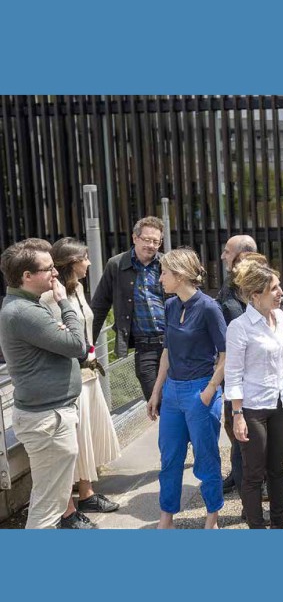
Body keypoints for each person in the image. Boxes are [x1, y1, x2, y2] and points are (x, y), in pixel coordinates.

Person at [0, 239, 86, 528]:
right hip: (47, 421)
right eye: (48, 269)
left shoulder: (27, 305)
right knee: (48, 507)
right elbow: (77, 345)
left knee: (50, 499)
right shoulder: (24, 312)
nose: (55, 274)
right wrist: (64, 303)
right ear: (27, 276)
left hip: (50, 415)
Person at [41, 239, 121, 519]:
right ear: (72, 262)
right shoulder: (50, 298)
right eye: (85, 258)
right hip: (70, 376)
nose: (89, 263)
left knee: (86, 435)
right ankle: (70, 505)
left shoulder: (78, 289)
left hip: (88, 372)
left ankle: (86, 494)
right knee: (74, 438)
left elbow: (85, 328)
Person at [147, 248, 227, 529]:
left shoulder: (208, 308)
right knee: (169, 458)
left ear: (180, 276)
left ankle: (212, 518)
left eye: (165, 273)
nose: (160, 279)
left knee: (206, 459)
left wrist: (209, 391)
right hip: (172, 392)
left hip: (200, 391)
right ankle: (166, 519)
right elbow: (168, 351)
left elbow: (226, 355)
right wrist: (157, 390)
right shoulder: (170, 306)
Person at [225, 258, 283, 529]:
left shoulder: (278, 316)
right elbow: (232, 375)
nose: (281, 293)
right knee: (254, 474)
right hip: (252, 408)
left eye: (279, 286)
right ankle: (256, 527)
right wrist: (237, 414)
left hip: (282, 402)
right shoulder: (239, 327)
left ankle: (280, 525)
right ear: (256, 295)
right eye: (275, 288)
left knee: (277, 470)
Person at [90, 216, 167, 401]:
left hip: (171, 343)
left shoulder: (167, 263)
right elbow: (100, 306)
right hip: (144, 346)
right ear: (135, 238)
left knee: (175, 399)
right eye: (147, 239)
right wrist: (88, 346)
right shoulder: (116, 264)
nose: (151, 245)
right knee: (155, 400)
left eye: (156, 241)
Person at [217, 234, 257, 496]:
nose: (222, 256)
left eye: (227, 252)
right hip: (233, 379)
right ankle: (246, 492)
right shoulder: (226, 292)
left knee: (256, 439)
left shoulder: (263, 290)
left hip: (258, 379)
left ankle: (263, 489)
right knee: (236, 432)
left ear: (243, 256)